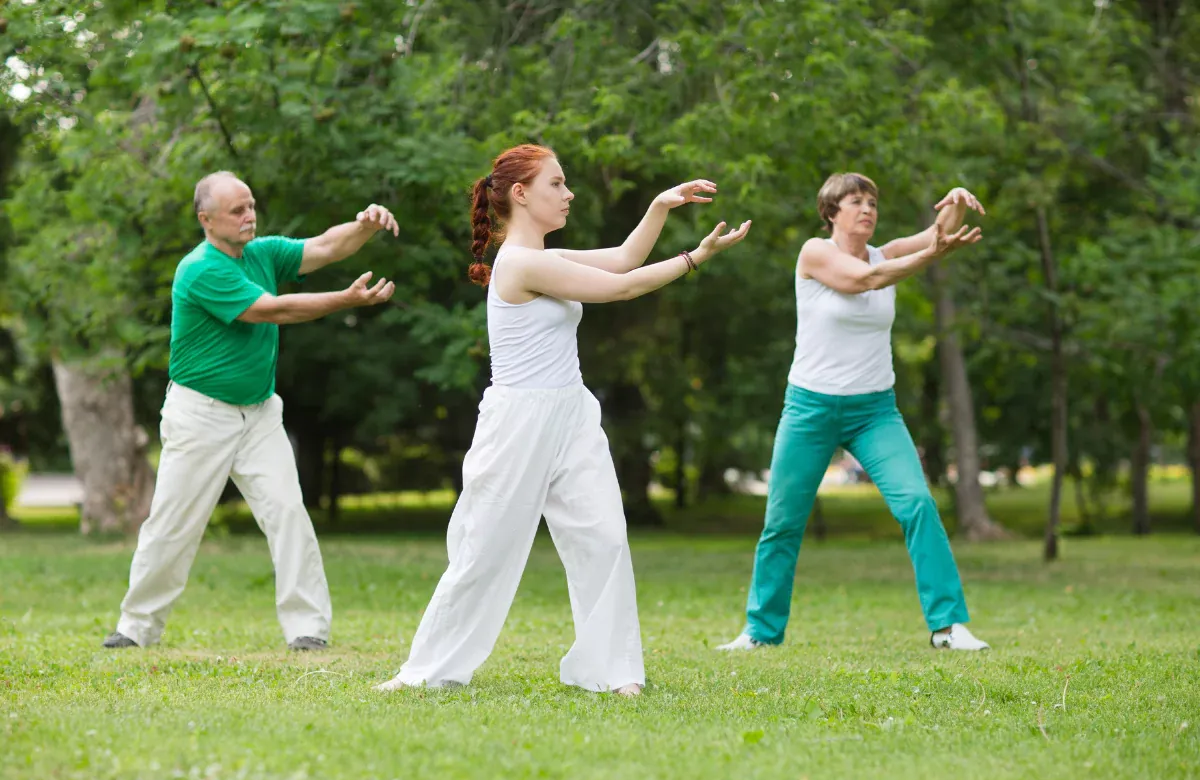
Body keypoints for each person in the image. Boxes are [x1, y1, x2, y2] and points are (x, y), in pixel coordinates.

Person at [374, 144, 751, 696]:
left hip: (571, 413)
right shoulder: (524, 263)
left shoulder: (548, 257)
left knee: (603, 537)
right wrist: (695, 256)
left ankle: (613, 671)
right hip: (518, 423)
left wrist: (659, 207)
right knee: (485, 549)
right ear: (521, 194)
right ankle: (428, 671)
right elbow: (621, 288)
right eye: (557, 183)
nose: (569, 192)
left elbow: (623, 259)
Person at [102, 171, 399, 652]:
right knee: (173, 526)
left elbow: (323, 247)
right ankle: (137, 628)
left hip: (259, 414)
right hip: (200, 416)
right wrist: (345, 301)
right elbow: (273, 310)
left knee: (288, 513)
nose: (249, 216)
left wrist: (365, 225)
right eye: (237, 210)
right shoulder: (200, 269)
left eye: (251, 205)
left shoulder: (261, 254)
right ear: (207, 219)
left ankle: (308, 630)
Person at [718, 173, 991, 652]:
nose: (867, 209)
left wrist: (957, 203)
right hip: (810, 409)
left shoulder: (886, 253)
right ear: (831, 212)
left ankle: (948, 627)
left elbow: (935, 236)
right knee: (782, 521)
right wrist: (930, 255)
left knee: (917, 504)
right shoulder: (815, 253)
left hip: (874, 412)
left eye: (872, 202)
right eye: (855, 201)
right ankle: (761, 632)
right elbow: (865, 281)